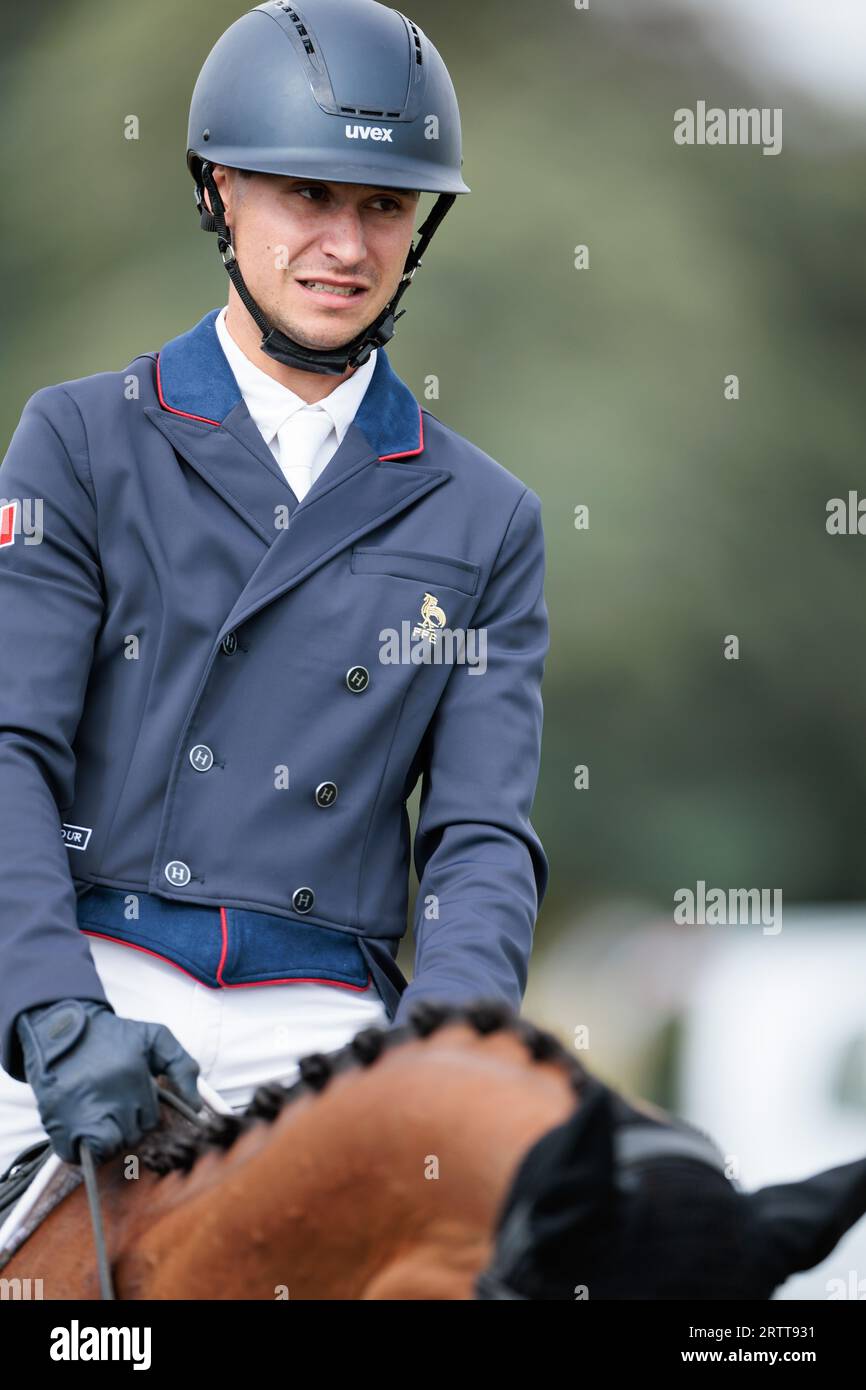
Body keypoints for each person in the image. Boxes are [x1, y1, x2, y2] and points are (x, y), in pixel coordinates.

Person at [0, 0, 549, 1180]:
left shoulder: (487, 515)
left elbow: (479, 836)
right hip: (87, 968)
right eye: (305, 194)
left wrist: (438, 1046)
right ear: (218, 192)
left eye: (382, 206)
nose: (345, 247)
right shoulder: (81, 440)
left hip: (320, 1010)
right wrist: (45, 1009)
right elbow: (9, 749)